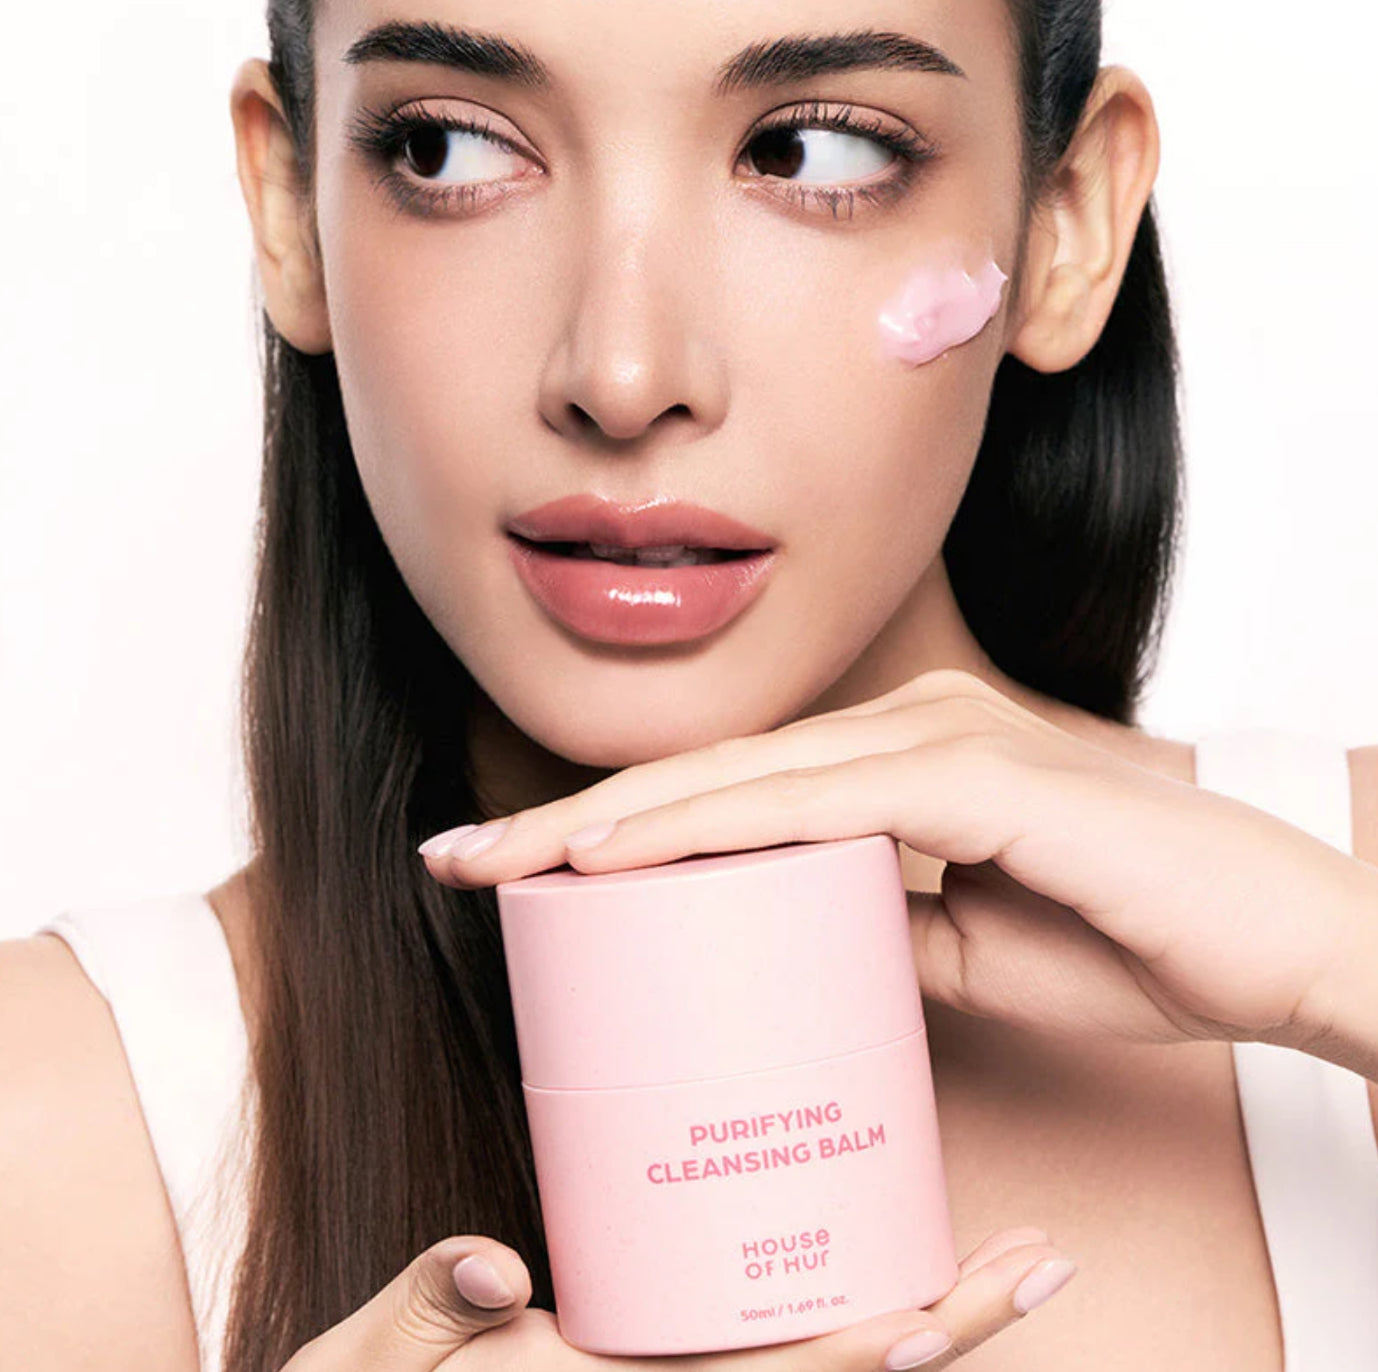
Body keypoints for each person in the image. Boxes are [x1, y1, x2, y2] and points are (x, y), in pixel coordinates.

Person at [3, 0, 1377, 1368]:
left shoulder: (1343, 936)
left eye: (812, 152)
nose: (621, 375)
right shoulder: (52, 1129)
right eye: (448, 148)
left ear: (1066, 225)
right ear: (289, 210)